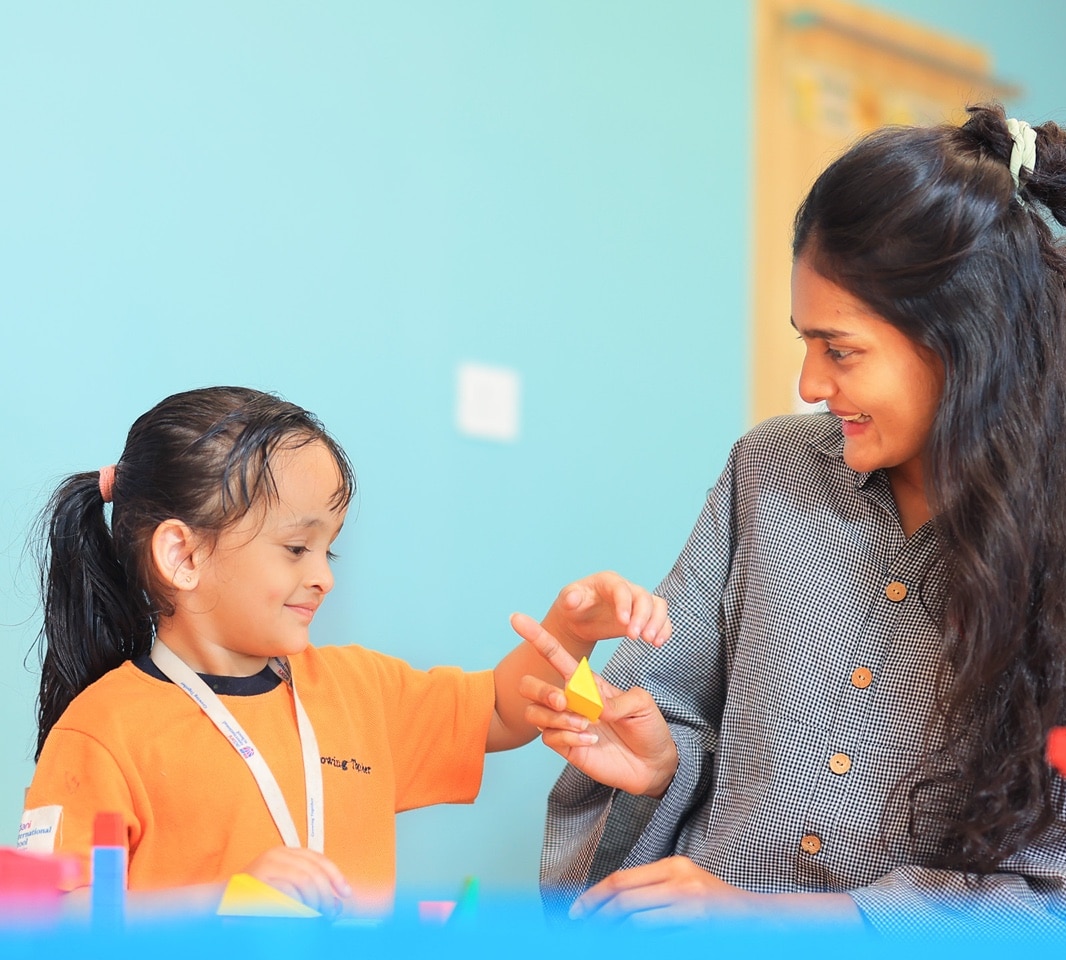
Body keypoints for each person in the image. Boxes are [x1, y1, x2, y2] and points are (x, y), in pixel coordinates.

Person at [513, 103, 1066, 936]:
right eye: (805, 342)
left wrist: (778, 920)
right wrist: (661, 765)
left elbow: (1065, 889)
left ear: (965, 342)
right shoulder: (766, 472)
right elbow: (674, 710)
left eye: (841, 351)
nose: (807, 384)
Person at [18, 385, 670, 920]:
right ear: (182, 555)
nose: (324, 575)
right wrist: (222, 903)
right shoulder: (102, 731)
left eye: (327, 550)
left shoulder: (360, 690)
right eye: (296, 549)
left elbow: (501, 710)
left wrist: (574, 624)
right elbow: (49, 923)